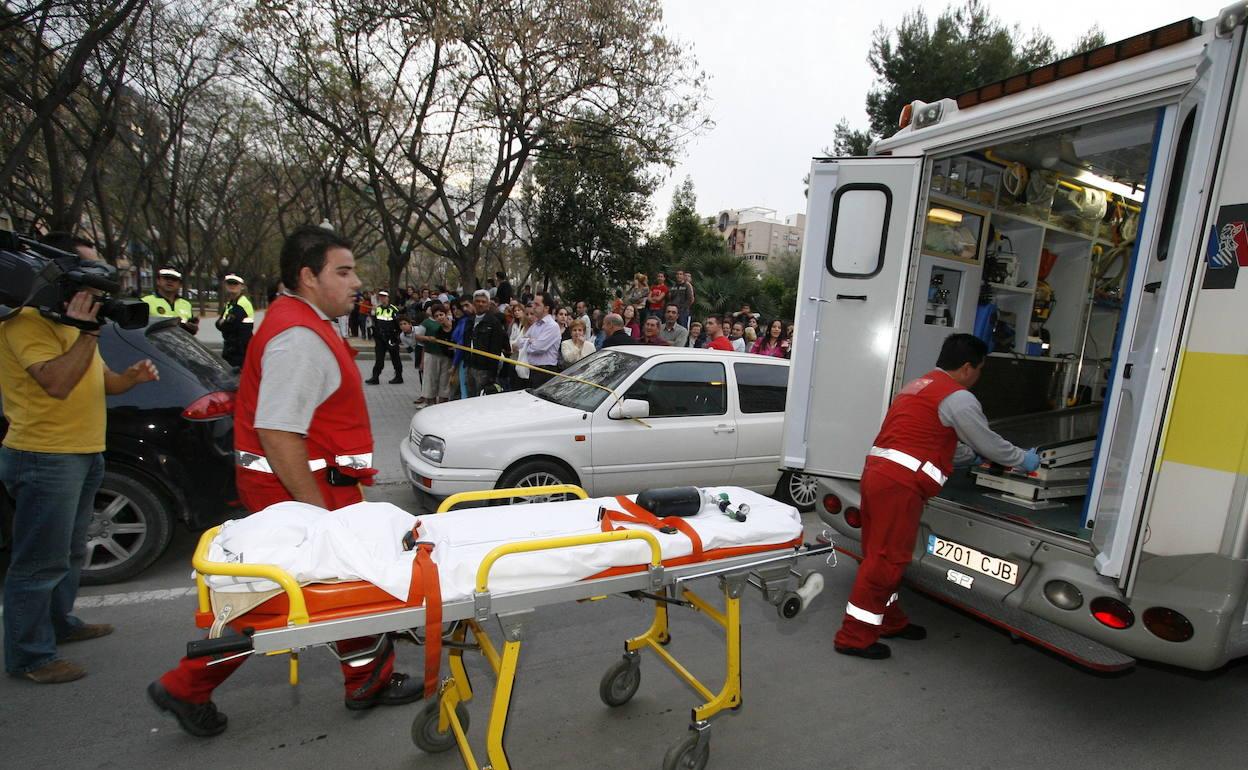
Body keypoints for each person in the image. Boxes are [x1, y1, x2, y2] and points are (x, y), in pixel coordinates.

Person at [149, 225, 421, 736]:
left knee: (346, 589)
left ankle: (368, 678)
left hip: (308, 490)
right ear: (307, 276)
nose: (356, 281)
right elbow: (277, 432)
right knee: (273, 603)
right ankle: (186, 686)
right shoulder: (299, 338)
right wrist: (314, 514)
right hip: (300, 495)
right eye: (343, 271)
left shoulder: (300, 322)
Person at [0, 236, 159, 684]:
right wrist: (87, 332)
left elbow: (101, 381)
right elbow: (56, 382)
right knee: (38, 561)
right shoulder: (25, 323)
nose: (95, 292)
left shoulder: (69, 324)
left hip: (83, 451)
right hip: (44, 455)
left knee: (70, 552)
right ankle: (30, 656)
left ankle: (60, 623)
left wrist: (130, 377)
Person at [834, 334, 1040, 660]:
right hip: (900, 486)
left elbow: (929, 437)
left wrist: (968, 457)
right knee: (886, 562)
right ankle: (854, 637)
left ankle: (887, 621)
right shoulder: (959, 398)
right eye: (980, 369)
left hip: (878, 476)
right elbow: (987, 441)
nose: (978, 377)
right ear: (968, 367)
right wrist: (1022, 459)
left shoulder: (919, 386)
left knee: (879, 556)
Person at [465, 289, 507, 396]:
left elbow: (496, 349)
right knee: (469, 396)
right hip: (470, 366)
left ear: (488, 304)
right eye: (478, 301)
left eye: (483, 302)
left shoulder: (494, 323)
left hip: (484, 370)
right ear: (474, 303)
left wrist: (491, 375)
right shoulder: (469, 320)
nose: (480, 304)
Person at [411, 305, 453, 405]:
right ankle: (431, 404)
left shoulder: (453, 323)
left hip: (447, 357)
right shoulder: (427, 323)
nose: (439, 317)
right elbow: (416, 336)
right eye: (436, 315)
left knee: (445, 381)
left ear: (445, 314)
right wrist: (428, 338)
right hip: (431, 355)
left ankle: (443, 404)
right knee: (430, 380)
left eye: (441, 314)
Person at [518, 292, 560, 386]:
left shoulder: (552, 326)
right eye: (533, 304)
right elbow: (519, 343)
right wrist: (529, 341)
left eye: (537, 304)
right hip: (532, 370)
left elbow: (538, 348)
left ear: (546, 308)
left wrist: (528, 343)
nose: (533, 307)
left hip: (544, 372)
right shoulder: (536, 324)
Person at [143, 268, 198, 335]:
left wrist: (192, 329)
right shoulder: (145, 302)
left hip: (180, 344)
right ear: (158, 281)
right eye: (166, 278)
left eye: (174, 279)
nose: (170, 281)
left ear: (180, 284)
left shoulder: (186, 304)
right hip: (154, 344)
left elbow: (190, 331)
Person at [365, 290, 403, 385]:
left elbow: (398, 323)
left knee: (395, 358)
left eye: (384, 296)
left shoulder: (394, 309)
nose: (382, 298)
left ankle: (398, 377)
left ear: (388, 298)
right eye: (381, 297)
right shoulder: (377, 309)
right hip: (380, 338)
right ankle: (375, 377)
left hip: (391, 337)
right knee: (379, 359)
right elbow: (374, 322)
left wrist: (397, 336)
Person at [216, 274, 254, 367]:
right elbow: (218, 324)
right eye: (230, 283)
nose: (232, 286)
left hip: (240, 351)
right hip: (231, 348)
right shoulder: (230, 304)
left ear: (242, 286)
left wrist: (223, 323)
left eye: (235, 284)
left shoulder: (242, 303)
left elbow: (229, 326)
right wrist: (223, 323)